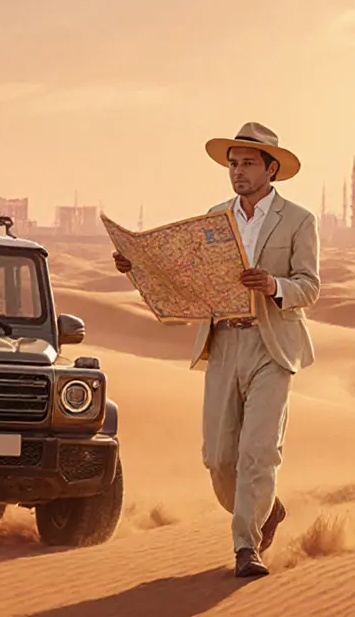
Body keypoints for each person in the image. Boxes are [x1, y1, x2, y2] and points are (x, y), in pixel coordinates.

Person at [112, 121, 320, 579]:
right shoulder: (214, 217)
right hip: (223, 342)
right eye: (233, 163)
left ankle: (246, 546)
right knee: (220, 459)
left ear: (271, 168)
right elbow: (185, 279)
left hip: (273, 346)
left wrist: (273, 284)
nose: (237, 171)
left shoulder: (299, 220)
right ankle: (269, 510)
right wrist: (138, 267)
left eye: (247, 163)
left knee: (258, 453)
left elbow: (310, 285)